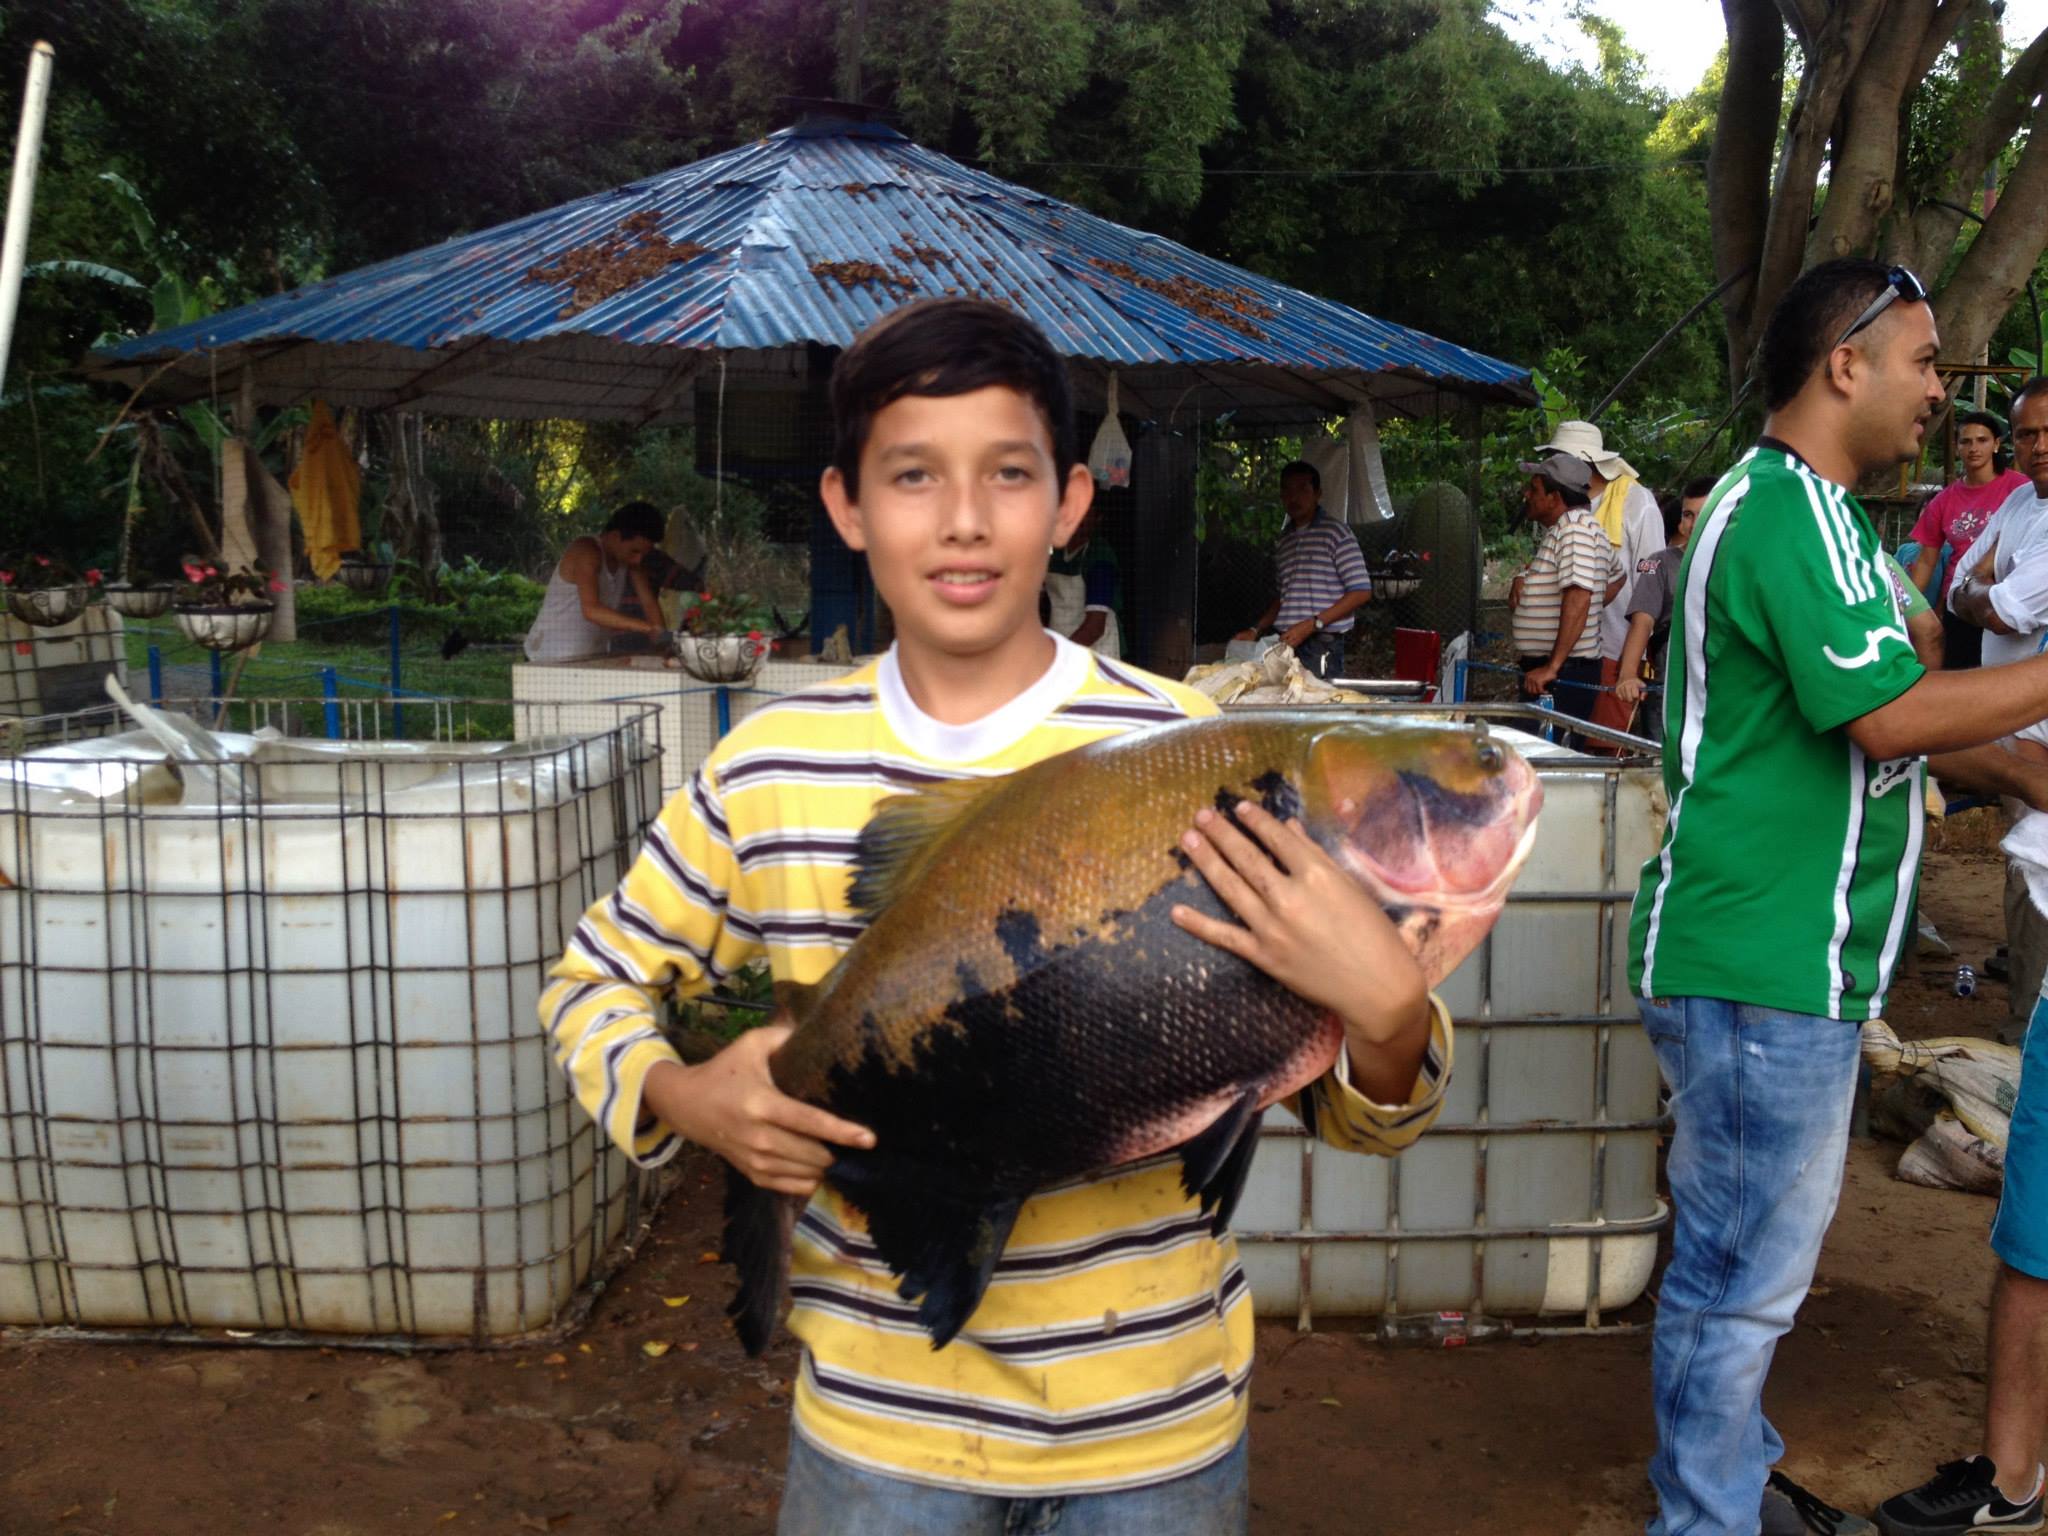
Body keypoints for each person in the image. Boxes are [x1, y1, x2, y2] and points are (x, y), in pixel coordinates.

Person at [539, 298, 1456, 1534]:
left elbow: (1342, 1104)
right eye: (913, 474)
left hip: (1157, 1433)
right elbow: (588, 983)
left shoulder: (1195, 750)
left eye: (1008, 474)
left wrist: (1389, 1017)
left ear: (1069, 502)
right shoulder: (766, 767)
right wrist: (682, 1095)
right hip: (876, 1442)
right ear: (846, 504)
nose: (963, 518)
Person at [1628, 260, 2048, 1536]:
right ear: (1842, 363)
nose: (1937, 392)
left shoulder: (1826, 522)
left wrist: (2015, 762)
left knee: (1749, 1270)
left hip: (1781, 962)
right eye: (1921, 362)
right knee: (1735, 1282)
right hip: (1756, 960)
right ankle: (1701, 1519)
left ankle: (1729, 1488)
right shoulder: (1783, 513)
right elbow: (1887, 716)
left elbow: (1895, 698)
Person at [1946, 384, 2048, 1036]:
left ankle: (2033, 1028)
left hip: (2034, 722)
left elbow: (2005, 610)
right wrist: (1979, 590)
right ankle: (2026, 1019)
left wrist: (1984, 587)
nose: (2039, 446)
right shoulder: (2017, 501)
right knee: (2026, 867)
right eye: (2028, 434)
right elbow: (1958, 584)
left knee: (2038, 865)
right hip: (2009, 720)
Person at [1539, 421, 1664, 743]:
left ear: (1581, 461)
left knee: (1601, 747)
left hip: (1615, 648)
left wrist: (1632, 662)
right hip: (1562, 649)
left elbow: (1651, 579)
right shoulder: (1559, 502)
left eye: (1556, 458)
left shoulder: (1637, 503)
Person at [1909, 408, 2027, 668]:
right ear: (1957, 447)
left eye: (1982, 440)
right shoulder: (1943, 501)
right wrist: (1905, 607)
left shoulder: (2021, 489)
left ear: (1996, 444)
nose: (1974, 448)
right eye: (1966, 441)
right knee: (1960, 674)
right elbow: (1926, 561)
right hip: (1960, 603)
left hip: (2009, 600)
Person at [1233, 461, 1373, 680]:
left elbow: (1361, 591)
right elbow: (1283, 598)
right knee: (1283, 697)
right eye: (1287, 490)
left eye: (1302, 489)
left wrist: (1313, 624)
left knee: (1318, 700)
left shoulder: (1336, 533)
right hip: (1286, 643)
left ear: (1318, 494)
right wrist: (1255, 630)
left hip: (1322, 644)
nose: (1294, 497)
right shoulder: (1284, 541)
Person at [1510, 450, 1612, 731]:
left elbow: (1579, 596)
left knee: (1541, 754)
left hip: (1559, 675)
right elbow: (1616, 577)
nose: (1526, 495)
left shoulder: (1575, 531)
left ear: (1555, 497)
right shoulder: (1578, 528)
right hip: (1561, 670)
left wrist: (1553, 666)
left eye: (1534, 489)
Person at [1614, 476, 1714, 742]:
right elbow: (1643, 620)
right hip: (1670, 688)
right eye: (1688, 515)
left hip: (1725, 692)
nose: (1694, 524)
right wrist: (1627, 674)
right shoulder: (1658, 563)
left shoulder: (1742, 563)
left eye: (1704, 514)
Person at [521, 501, 667, 662]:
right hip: (547, 657)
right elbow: (591, 610)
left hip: (590, 657)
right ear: (615, 536)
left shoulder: (630, 562)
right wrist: (647, 628)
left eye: (643, 554)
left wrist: (663, 644)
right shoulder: (586, 550)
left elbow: (649, 603)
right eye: (634, 551)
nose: (638, 559)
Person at [1044, 504, 1123, 656]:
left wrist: (1059, 656)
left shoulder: (1099, 555)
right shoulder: (1056, 553)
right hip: (1061, 639)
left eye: (1085, 514)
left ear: (1097, 519)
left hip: (1095, 649)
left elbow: (1095, 627)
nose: (1078, 519)